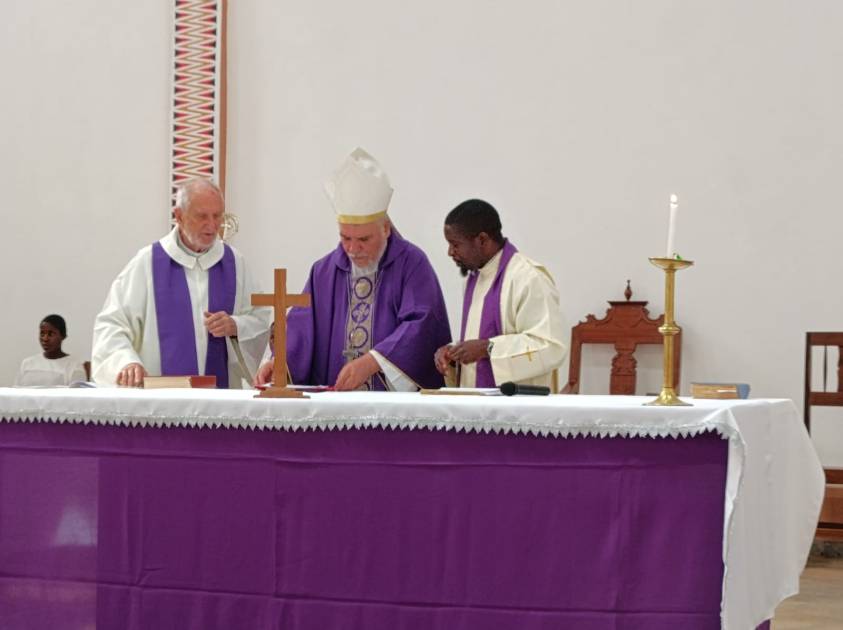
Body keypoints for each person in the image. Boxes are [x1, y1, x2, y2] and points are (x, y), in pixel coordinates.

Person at [256, 148, 451, 391]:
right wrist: (279, 363)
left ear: (385, 229)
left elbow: (422, 327)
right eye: (345, 238)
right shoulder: (323, 272)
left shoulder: (411, 264)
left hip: (392, 409)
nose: (353, 249)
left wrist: (373, 361)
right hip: (338, 405)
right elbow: (302, 328)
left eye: (364, 239)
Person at [91, 178, 270, 387]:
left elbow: (260, 319)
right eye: (202, 216)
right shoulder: (147, 263)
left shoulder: (236, 264)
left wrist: (236, 326)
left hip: (221, 403)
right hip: (159, 405)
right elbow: (111, 325)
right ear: (179, 216)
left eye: (217, 216)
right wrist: (126, 361)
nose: (212, 226)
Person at [435, 199, 567, 389]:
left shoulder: (528, 277)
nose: (450, 252)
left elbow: (551, 347)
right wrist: (455, 355)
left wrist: (488, 348)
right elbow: (478, 345)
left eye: (455, 244)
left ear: (482, 239)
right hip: (475, 409)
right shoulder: (474, 279)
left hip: (519, 409)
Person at [15, 314, 87, 386]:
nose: (45, 339)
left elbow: (77, 395)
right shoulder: (27, 363)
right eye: (42, 333)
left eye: (51, 334)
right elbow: (16, 392)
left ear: (63, 336)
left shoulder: (74, 366)